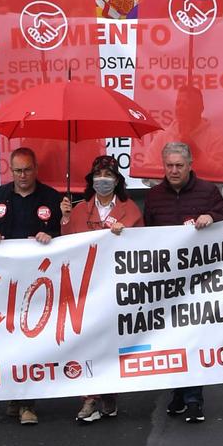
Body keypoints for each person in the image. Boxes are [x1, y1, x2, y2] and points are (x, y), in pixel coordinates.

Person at [142, 142, 223, 423]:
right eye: (169, 165)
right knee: (173, 339)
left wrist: (213, 216)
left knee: (193, 338)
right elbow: (145, 236)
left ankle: (194, 399)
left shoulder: (207, 192)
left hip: (199, 280)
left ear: (190, 165)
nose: (173, 170)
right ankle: (180, 394)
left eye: (179, 165)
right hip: (166, 282)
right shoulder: (155, 196)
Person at [0, 147, 64, 423]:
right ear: (10, 170)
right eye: (17, 170)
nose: (23, 175)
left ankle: (28, 401)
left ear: (36, 169)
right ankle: (16, 395)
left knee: (32, 337)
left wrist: (52, 232)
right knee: (9, 338)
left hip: (40, 282)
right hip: (5, 282)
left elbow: (65, 236)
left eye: (27, 170)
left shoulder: (51, 198)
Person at [67, 155, 143, 422]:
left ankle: (109, 395)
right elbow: (66, 248)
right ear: (91, 180)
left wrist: (128, 236)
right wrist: (65, 219)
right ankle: (89, 398)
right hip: (86, 288)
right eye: (98, 175)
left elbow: (142, 246)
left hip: (114, 287)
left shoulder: (130, 209)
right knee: (86, 341)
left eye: (108, 175)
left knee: (111, 342)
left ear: (117, 180)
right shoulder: (78, 210)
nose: (103, 180)